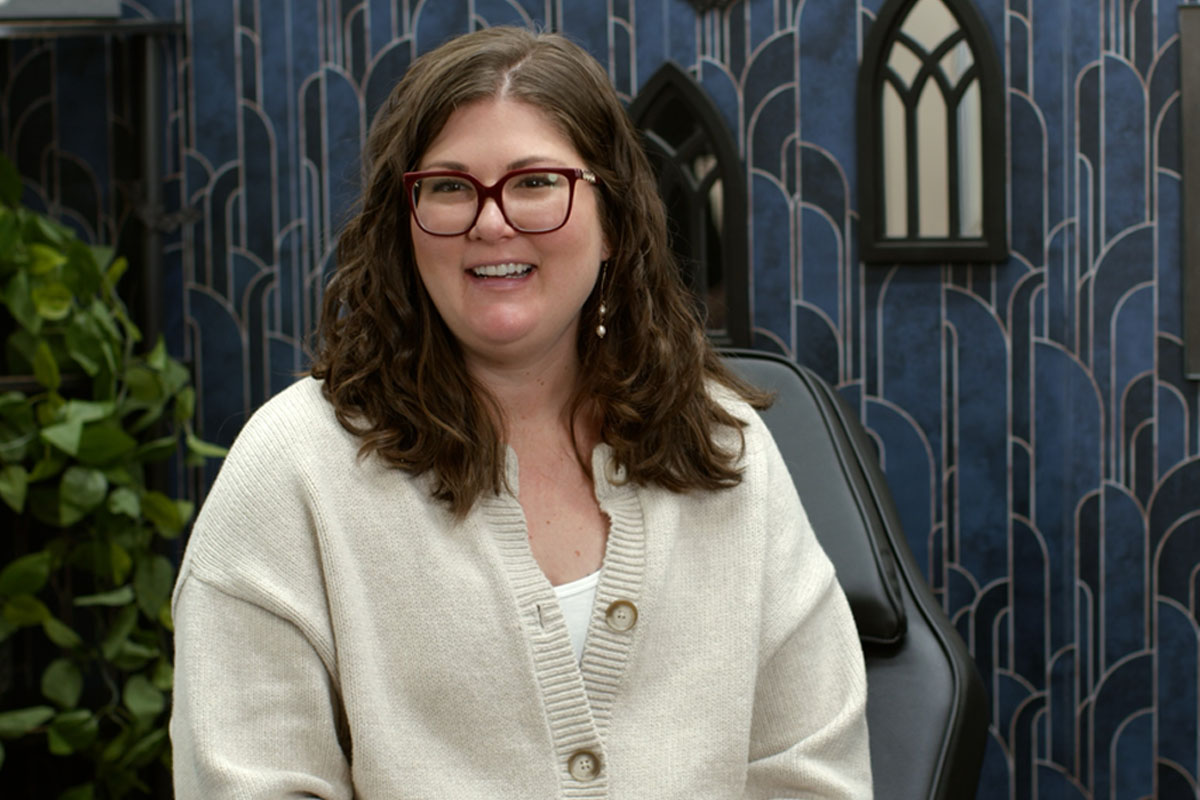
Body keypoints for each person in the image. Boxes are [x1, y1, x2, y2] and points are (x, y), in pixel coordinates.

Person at [169, 25, 871, 799]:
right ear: (404, 228)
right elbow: (251, 781)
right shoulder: (292, 466)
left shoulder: (726, 446)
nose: (491, 220)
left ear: (614, 220)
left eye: (536, 181)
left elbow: (810, 772)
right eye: (448, 186)